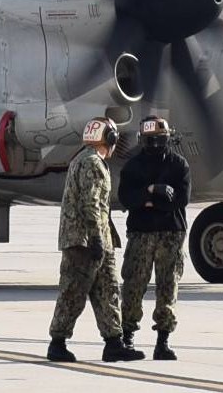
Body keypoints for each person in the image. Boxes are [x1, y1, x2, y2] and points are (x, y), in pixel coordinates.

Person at [46, 117, 143, 363]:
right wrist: (97, 239)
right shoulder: (92, 164)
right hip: (86, 241)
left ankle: (114, 343)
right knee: (73, 292)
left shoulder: (82, 159)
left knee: (107, 291)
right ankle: (57, 343)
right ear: (108, 139)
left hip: (95, 239)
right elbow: (92, 204)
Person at [118, 115, 192, 361]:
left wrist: (148, 203)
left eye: (159, 140)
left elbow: (181, 200)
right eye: (150, 141)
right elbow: (126, 198)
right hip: (141, 233)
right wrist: (152, 194)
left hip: (170, 233)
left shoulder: (179, 165)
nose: (155, 145)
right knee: (133, 285)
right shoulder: (133, 166)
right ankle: (127, 337)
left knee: (168, 286)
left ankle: (163, 340)